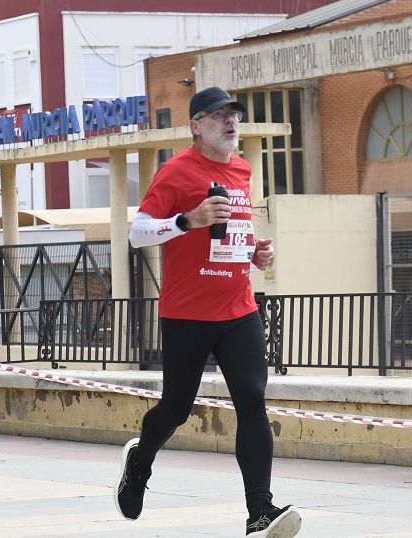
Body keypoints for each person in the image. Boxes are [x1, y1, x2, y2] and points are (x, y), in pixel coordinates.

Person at [115, 86, 302, 538]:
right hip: (187, 314)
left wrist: (254, 253)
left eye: (234, 114)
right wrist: (186, 221)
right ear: (196, 126)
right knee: (176, 409)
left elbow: (230, 234)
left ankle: (260, 511)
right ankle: (140, 462)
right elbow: (138, 232)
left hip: (238, 308)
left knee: (253, 400)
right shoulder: (175, 172)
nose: (231, 121)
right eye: (219, 115)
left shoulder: (241, 169)